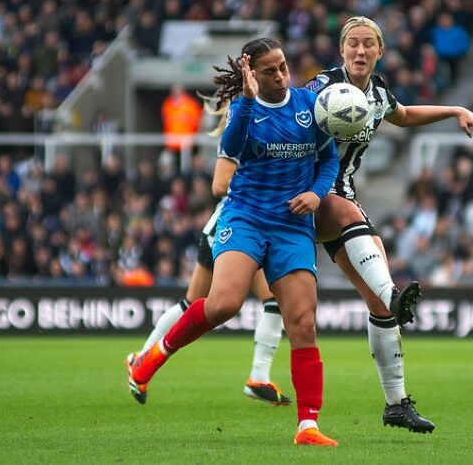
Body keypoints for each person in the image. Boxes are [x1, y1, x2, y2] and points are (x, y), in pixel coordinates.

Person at [127, 38, 340, 447]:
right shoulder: (244, 111)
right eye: (270, 71)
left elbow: (327, 158)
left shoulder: (311, 106)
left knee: (303, 322)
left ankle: (307, 425)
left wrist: (317, 192)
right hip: (245, 216)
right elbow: (231, 159)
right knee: (224, 303)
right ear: (253, 75)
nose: (280, 76)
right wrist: (245, 101)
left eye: (283, 66)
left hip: (292, 225)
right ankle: (152, 358)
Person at [303, 16, 473, 433]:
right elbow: (289, 114)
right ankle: (395, 295)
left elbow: (403, 115)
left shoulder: (379, 94)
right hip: (304, 196)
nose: (360, 51)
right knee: (217, 299)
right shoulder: (321, 86)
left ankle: (396, 404)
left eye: (369, 44)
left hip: (341, 198)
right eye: (353, 43)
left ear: (380, 51)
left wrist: (456, 109)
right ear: (341, 49)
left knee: (376, 305)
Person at [127, 149, 291, 406]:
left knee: (269, 302)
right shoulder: (252, 128)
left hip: (245, 228)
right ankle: (142, 358)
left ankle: (258, 378)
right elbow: (225, 184)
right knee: (196, 305)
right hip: (232, 230)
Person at [161, 84, 203, 152]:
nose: (175, 93)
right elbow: (166, 121)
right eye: (174, 91)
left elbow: (198, 121)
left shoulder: (191, 104)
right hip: (171, 143)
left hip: (187, 142)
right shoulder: (167, 104)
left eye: (177, 91)